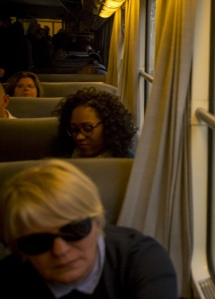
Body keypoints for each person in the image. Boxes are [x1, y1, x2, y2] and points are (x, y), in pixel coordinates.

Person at [0, 159, 178, 298]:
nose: (60, 250)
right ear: (21, 252)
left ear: (97, 223)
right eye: (37, 242)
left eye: (73, 229)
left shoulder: (141, 261)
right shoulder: (10, 280)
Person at [54, 88, 136, 158]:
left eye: (87, 129)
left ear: (108, 128)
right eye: (74, 129)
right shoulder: (62, 160)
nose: (79, 137)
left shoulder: (129, 163)